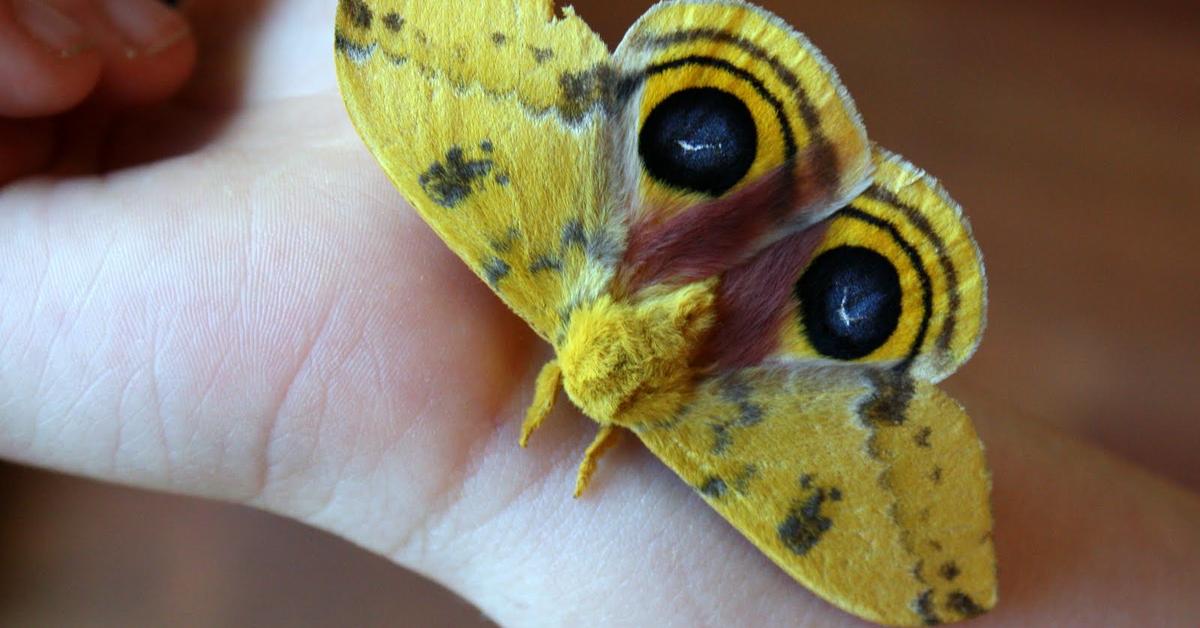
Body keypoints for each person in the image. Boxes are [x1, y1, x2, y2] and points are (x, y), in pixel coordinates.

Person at [1, 1, 1197, 625]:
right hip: (680, 287)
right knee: (843, 313)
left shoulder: (534, 301)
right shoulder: (691, 432)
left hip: (579, 242)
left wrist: (483, 460)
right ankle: (801, 217)